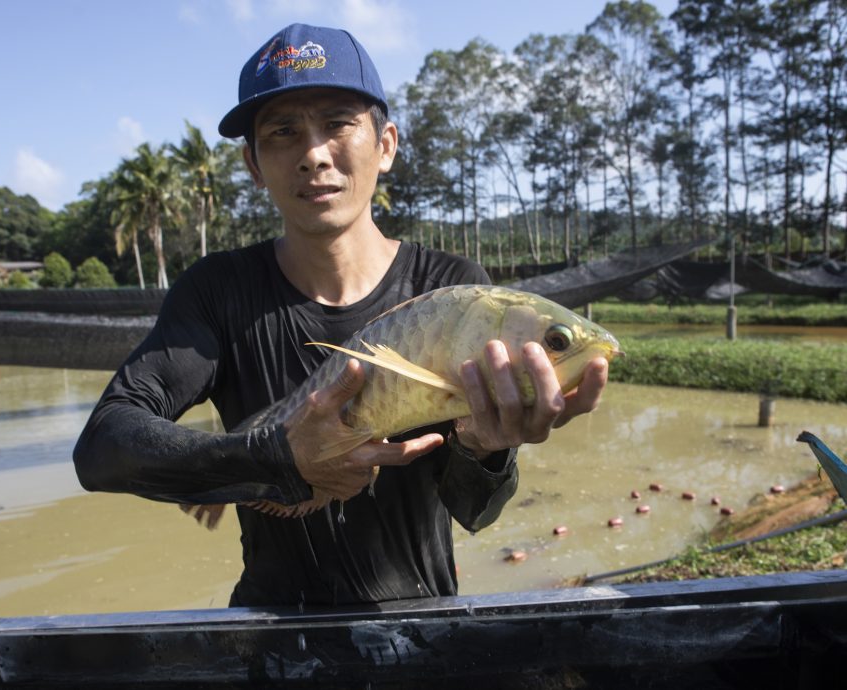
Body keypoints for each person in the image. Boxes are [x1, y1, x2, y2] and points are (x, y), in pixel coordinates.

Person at [72, 23, 608, 608]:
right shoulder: (216, 291)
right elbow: (103, 447)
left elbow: (477, 511)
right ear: (254, 165)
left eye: (337, 123)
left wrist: (487, 449)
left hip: (421, 627)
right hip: (269, 633)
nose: (313, 154)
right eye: (283, 132)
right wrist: (273, 460)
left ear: (386, 145)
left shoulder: (455, 291)